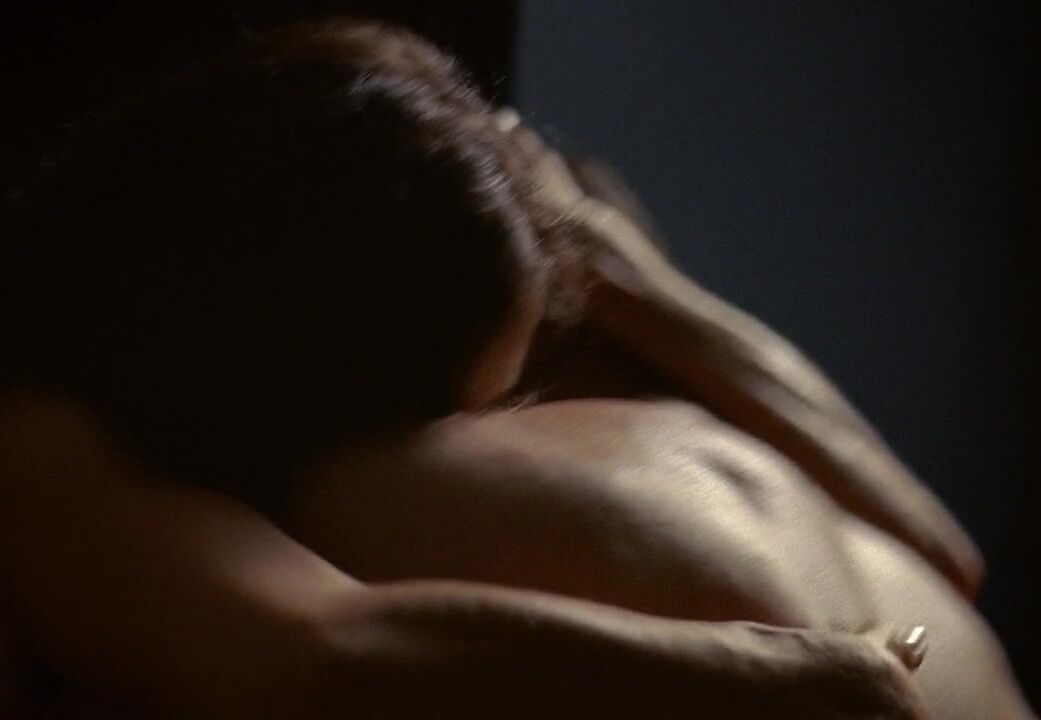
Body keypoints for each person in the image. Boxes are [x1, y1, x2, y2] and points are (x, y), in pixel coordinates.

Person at [0, 18, 1031, 719]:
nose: (486, 416)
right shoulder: (55, 434)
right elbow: (318, 656)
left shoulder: (554, 316)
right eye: (456, 400)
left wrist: (637, 280)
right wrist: (793, 673)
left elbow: (945, 557)